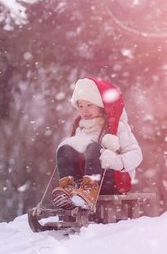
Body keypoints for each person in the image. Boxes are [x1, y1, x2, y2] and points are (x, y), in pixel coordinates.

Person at [51, 77, 143, 210]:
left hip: (113, 180)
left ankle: (89, 190)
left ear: (100, 106)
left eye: (89, 105)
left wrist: (116, 161)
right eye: (81, 106)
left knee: (93, 148)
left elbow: (136, 155)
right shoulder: (80, 128)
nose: (84, 110)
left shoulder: (117, 127)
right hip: (85, 180)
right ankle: (71, 189)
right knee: (65, 149)